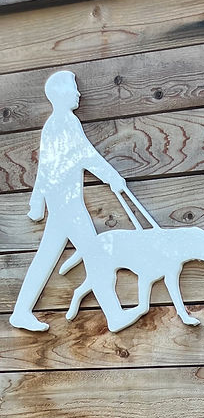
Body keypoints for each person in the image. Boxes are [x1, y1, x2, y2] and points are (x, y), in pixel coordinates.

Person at [11, 70, 129, 332]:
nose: (79, 93)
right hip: (67, 205)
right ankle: (113, 314)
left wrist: (38, 201)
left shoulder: (55, 124)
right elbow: (87, 156)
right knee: (95, 255)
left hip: (61, 203)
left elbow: (45, 168)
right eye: (74, 89)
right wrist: (113, 177)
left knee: (47, 257)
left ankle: (20, 311)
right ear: (62, 95)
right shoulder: (64, 123)